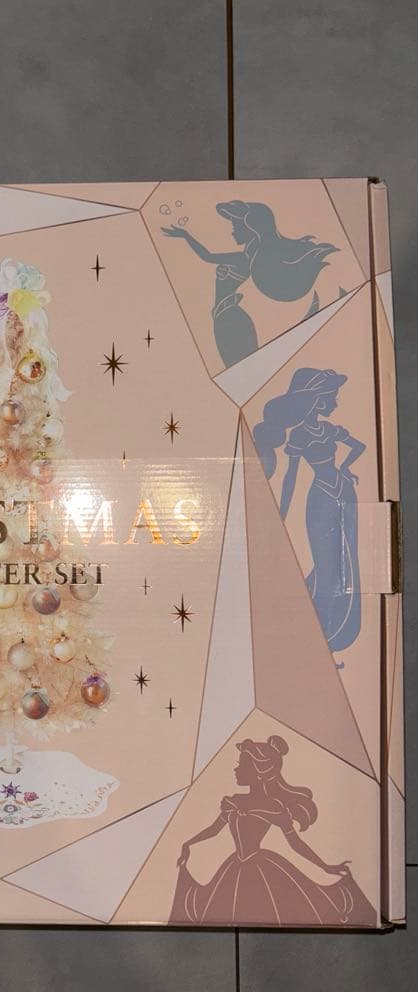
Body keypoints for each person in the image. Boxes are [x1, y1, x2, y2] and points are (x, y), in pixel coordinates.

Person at [171, 736, 375, 926]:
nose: (236, 769)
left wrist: (325, 867)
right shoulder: (234, 801)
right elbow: (214, 830)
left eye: (242, 765)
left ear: (259, 771)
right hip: (233, 868)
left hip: (260, 869)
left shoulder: (273, 807)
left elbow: (295, 844)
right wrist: (187, 844)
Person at [252, 367, 364, 656]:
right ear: (317, 400)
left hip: (344, 493)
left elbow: (359, 446)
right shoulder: (300, 435)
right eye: (333, 396)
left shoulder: (329, 429)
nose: (336, 402)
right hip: (322, 497)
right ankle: (316, 632)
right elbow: (290, 477)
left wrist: (346, 467)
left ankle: (334, 632)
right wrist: (281, 512)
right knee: (325, 564)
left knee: (347, 558)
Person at [162, 200, 337, 368]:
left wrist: (186, 236)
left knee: (239, 372)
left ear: (251, 229)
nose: (232, 232)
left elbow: (207, 256)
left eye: (235, 227)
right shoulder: (248, 258)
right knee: (239, 372)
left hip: (231, 319)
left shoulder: (243, 259)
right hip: (225, 316)